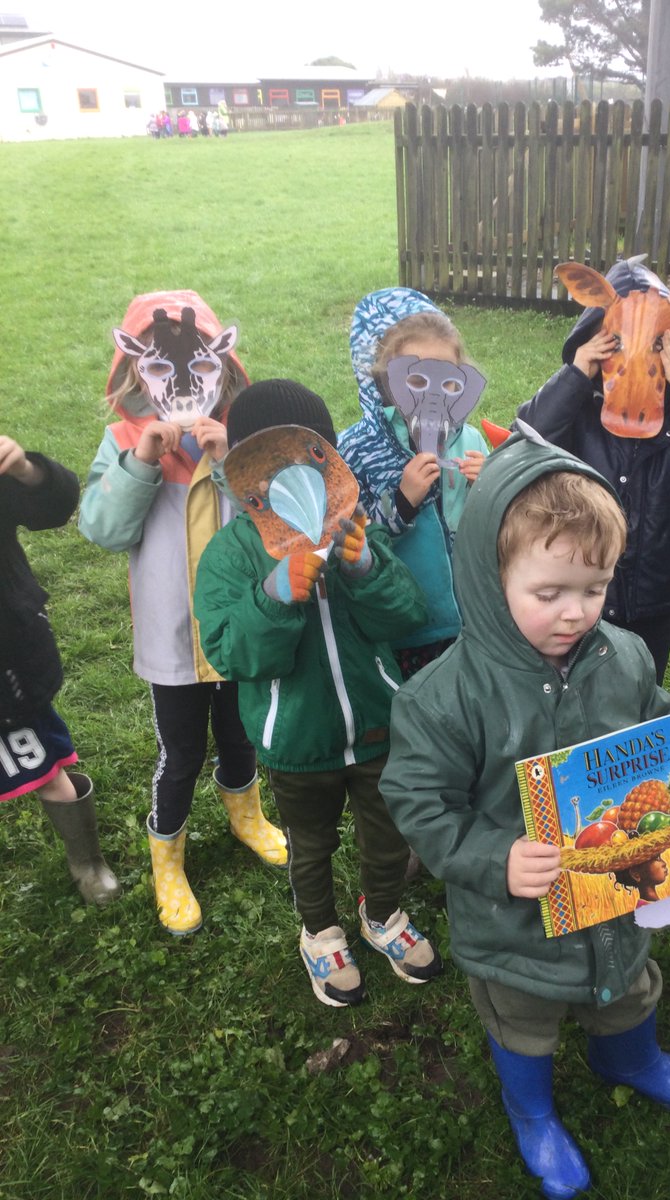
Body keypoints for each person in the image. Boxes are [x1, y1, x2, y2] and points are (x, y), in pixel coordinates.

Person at [380, 429, 670, 1199]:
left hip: (620, 897)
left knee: (631, 985)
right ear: (488, 574)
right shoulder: (443, 697)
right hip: (516, 925)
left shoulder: (627, 656)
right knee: (525, 1019)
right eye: (550, 593)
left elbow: (660, 729)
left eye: (596, 587)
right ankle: (531, 1110)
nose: (576, 613)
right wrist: (491, 857)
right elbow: (417, 799)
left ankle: (630, 1058)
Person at [194, 379, 442, 1007]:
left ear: (328, 457)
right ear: (243, 476)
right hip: (294, 738)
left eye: (309, 456)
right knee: (311, 843)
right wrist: (274, 596)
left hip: (376, 724)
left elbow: (405, 614)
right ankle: (320, 932)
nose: (290, 478)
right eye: (268, 462)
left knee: (386, 832)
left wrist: (364, 568)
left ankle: (381, 913)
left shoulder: (355, 527)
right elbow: (227, 650)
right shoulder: (230, 554)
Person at [78, 291, 285, 936]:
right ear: (138, 370)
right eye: (163, 369)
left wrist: (230, 460)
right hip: (172, 636)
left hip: (239, 628)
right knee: (181, 749)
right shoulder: (122, 442)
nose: (183, 382)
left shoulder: (242, 436)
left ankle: (246, 815)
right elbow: (104, 529)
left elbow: (275, 522)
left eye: (199, 365)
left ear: (222, 364)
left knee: (241, 729)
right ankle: (167, 856)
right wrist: (142, 461)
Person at [517, 257, 670, 685]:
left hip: (655, 586)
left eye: (655, 345)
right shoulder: (579, 408)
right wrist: (576, 374)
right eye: (617, 343)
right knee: (576, 680)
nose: (635, 358)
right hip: (580, 582)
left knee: (644, 677)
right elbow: (529, 436)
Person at [339, 288, 488, 679]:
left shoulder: (469, 440)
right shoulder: (357, 448)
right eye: (417, 377)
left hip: (469, 617)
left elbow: (497, 525)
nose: (433, 393)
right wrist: (403, 500)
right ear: (383, 378)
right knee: (412, 715)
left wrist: (490, 483)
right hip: (403, 622)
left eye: (447, 379)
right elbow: (352, 539)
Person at [0, 435, 120, 905]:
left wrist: (27, 470)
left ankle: (86, 861)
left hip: (8, 658)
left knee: (42, 763)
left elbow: (52, 508)